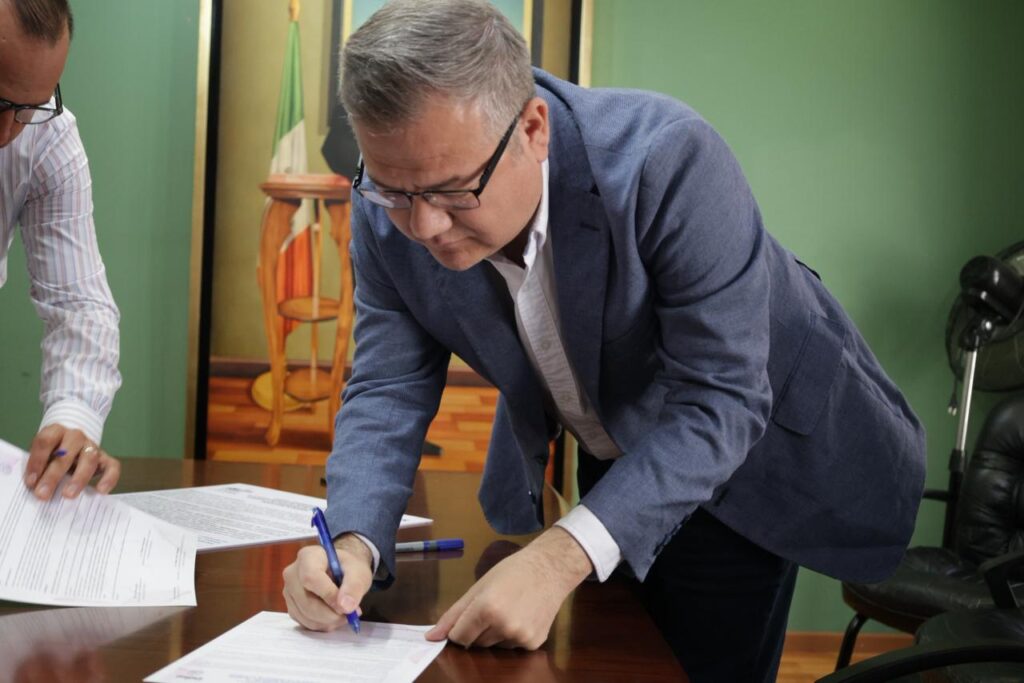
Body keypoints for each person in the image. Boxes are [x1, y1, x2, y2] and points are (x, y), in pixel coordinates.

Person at [282, 1, 926, 680]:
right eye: (394, 192)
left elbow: (724, 399)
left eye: (453, 191)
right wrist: (351, 542)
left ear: (533, 129)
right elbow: (388, 384)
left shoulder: (668, 159)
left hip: (747, 447)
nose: (424, 226)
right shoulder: (387, 202)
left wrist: (558, 557)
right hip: (616, 440)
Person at [0, 0, 121, 501]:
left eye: (28, 107)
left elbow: (79, 305)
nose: (7, 134)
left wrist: (72, 419)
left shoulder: (45, 134)